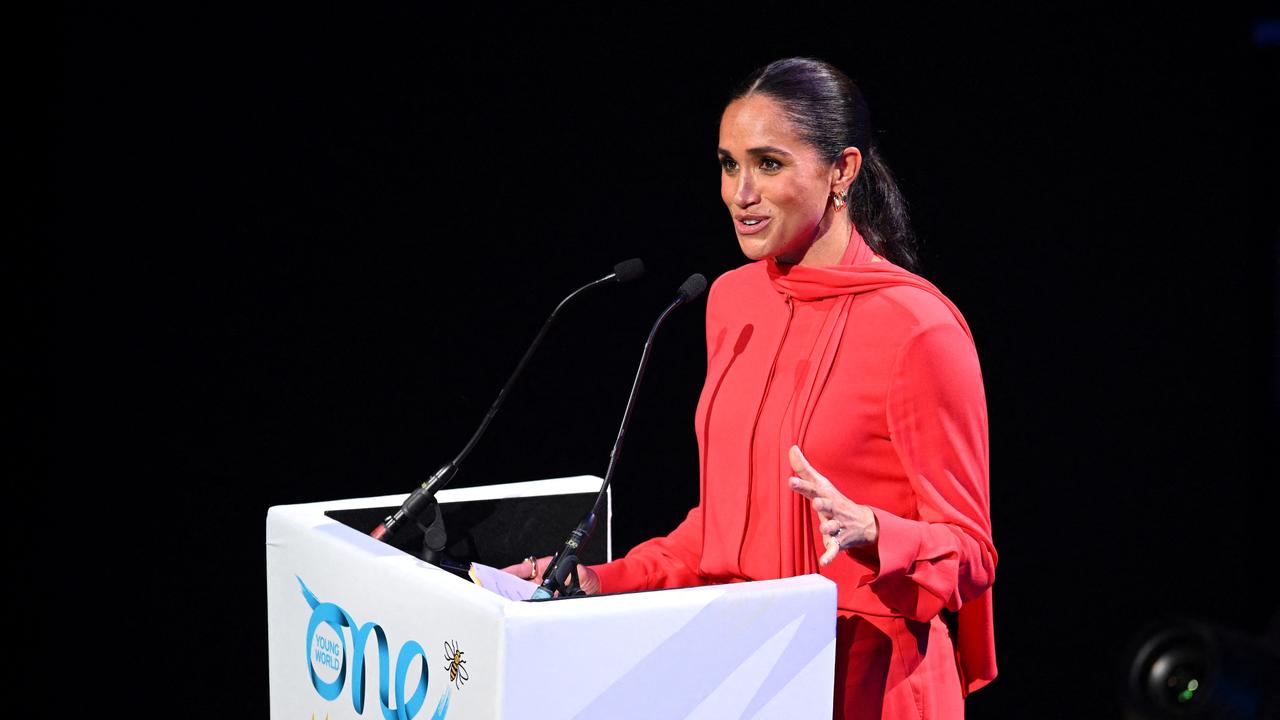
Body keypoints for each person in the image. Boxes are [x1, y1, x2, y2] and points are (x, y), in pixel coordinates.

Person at [505, 57, 996, 720]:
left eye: (768, 164)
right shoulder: (731, 303)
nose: (740, 193)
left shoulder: (918, 330)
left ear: (842, 172)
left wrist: (877, 530)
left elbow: (971, 552)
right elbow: (723, 528)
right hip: (744, 679)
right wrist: (599, 579)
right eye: (729, 164)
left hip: (868, 687)